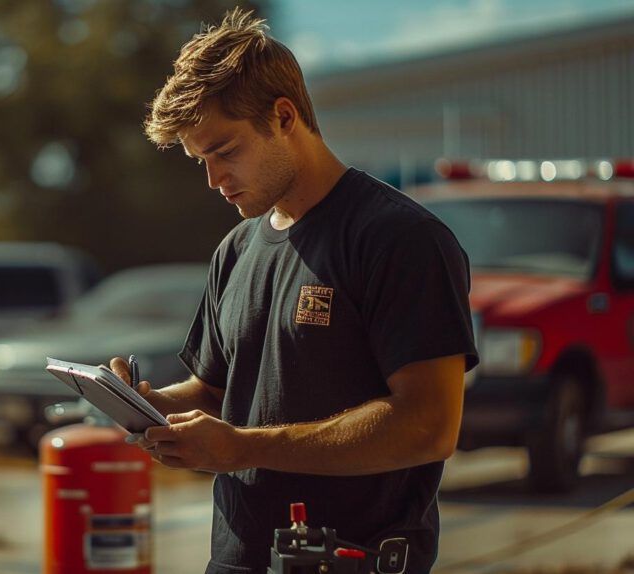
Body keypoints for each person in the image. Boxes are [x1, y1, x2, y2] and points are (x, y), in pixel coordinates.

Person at [108, 7, 478, 574]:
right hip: (235, 559)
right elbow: (215, 393)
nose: (213, 179)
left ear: (284, 117)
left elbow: (428, 426)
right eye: (199, 160)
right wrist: (148, 408)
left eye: (225, 151)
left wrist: (244, 447)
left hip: (350, 561)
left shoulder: (401, 239)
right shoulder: (235, 249)